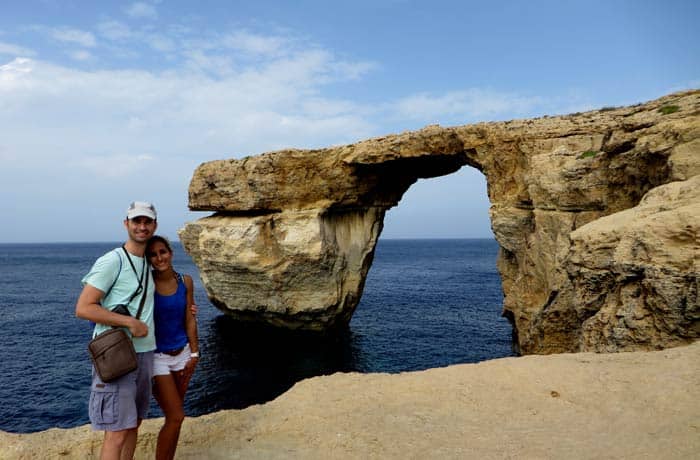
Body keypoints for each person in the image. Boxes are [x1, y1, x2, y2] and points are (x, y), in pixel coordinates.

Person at [75, 201, 158, 460]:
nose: (142, 226)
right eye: (137, 221)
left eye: (147, 221)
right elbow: (84, 307)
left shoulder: (148, 262)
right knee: (116, 431)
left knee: (133, 424)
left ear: (154, 225)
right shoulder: (113, 261)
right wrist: (130, 323)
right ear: (126, 224)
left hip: (144, 354)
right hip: (117, 355)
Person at [146, 235, 199, 460]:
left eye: (163, 252)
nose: (159, 258)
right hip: (158, 357)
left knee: (173, 417)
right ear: (148, 259)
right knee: (177, 416)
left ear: (171, 252)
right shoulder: (146, 284)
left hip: (183, 354)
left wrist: (195, 352)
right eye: (153, 255)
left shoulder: (185, 281)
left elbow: (189, 318)